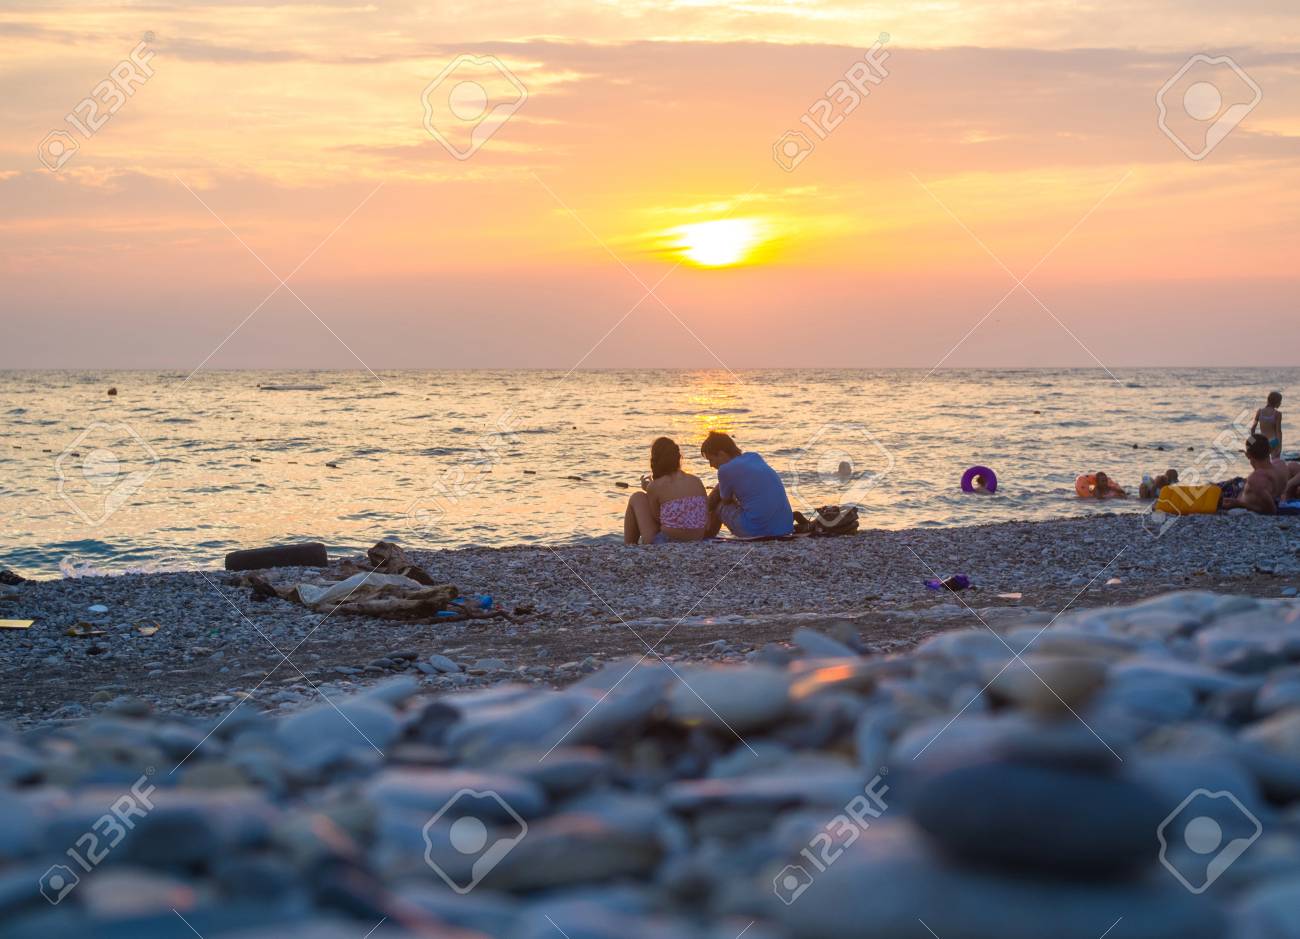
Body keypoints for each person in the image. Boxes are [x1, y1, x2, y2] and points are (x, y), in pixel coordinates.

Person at [699, 431, 794, 538]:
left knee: (718, 505)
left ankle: (706, 537)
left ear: (721, 454)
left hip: (758, 532)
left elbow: (725, 501)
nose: (711, 465)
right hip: (785, 528)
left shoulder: (725, 470)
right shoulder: (754, 456)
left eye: (711, 459)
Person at [624, 437, 710, 545]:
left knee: (637, 497)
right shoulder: (696, 480)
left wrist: (649, 489)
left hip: (667, 541)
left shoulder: (656, 486)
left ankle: (628, 545)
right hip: (698, 538)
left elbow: (657, 517)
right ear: (678, 458)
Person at [1222, 434, 1288, 514]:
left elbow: (1271, 511)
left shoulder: (1255, 479)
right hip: (1241, 485)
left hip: (1234, 495)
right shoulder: (1281, 465)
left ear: (1248, 455)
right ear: (1269, 450)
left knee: (1210, 490)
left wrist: (1239, 504)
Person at [1251, 391, 1283, 459]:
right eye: (1280, 401)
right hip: (1273, 441)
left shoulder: (1260, 412)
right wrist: (1280, 447)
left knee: (1265, 463)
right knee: (1275, 462)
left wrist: (1253, 442)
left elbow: (1253, 428)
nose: (1280, 403)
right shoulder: (1277, 414)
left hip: (1263, 442)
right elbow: (1278, 431)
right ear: (1276, 402)